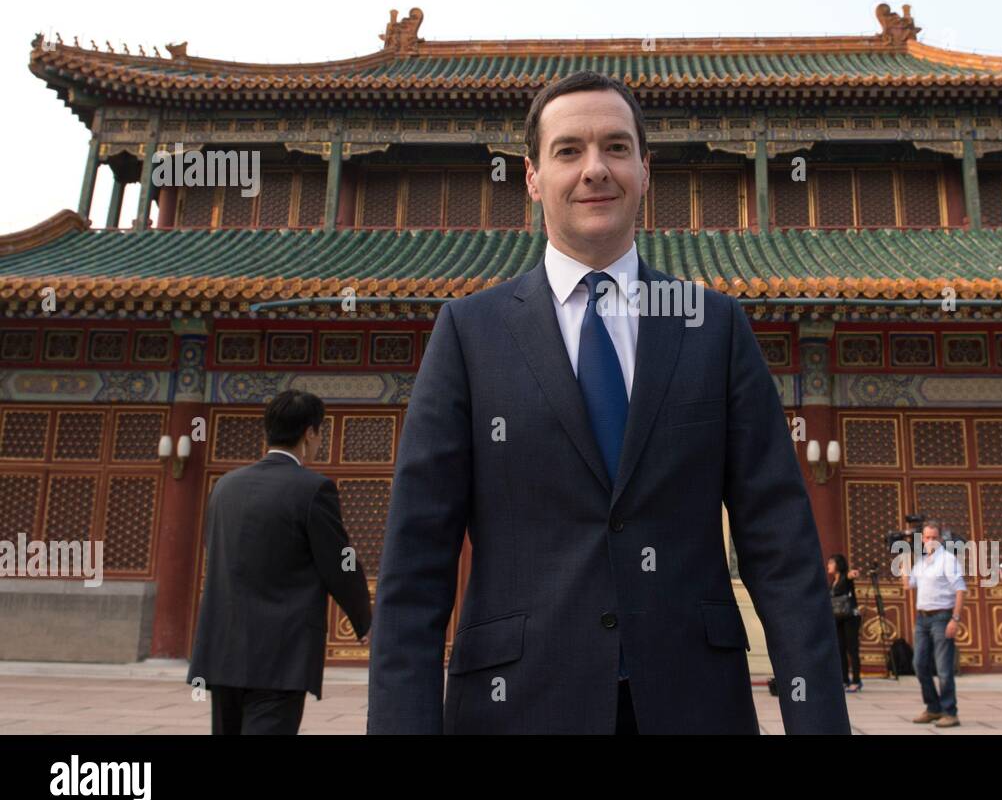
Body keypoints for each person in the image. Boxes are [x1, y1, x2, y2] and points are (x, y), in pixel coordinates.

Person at [367, 70, 849, 735]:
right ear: (532, 177)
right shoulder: (470, 334)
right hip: (517, 704)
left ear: (645, 170)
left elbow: (784, 549)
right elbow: (415, 565)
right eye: (569, 151)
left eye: (617, 148)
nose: (596, 169)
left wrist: (819, 722)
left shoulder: (713, 326)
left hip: (694, 703)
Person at [187, 390, 372, 734]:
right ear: (310, 433)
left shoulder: (225, 487)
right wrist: (365, 619)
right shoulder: (313, 489)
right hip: (279, 652)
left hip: (222, 648)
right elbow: (340, 563)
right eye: (319, 433)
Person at [899, 521, 965, 727]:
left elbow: (960, 589)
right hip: (922, 619)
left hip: (942, 617)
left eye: (934, 537)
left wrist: (955, 619)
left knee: (943, 669)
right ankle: (933, 708)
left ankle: (950, 712)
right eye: (926, 538)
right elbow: (908, 585)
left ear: (940, 539)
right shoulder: (921, 562)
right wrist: (903, 564)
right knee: (919, 664)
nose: (930, 541)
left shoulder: (947, 560)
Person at [827, 555, 862, 691]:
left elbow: (852, 575)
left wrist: (854, 573)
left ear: (838, 564)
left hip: (850, 617)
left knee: (852, 649)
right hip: (837, 617)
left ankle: (856, 680)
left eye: (831, 563)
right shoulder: (833, 582)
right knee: (840, 649)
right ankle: (844, 680)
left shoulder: (845, 577)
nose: (828, 565)